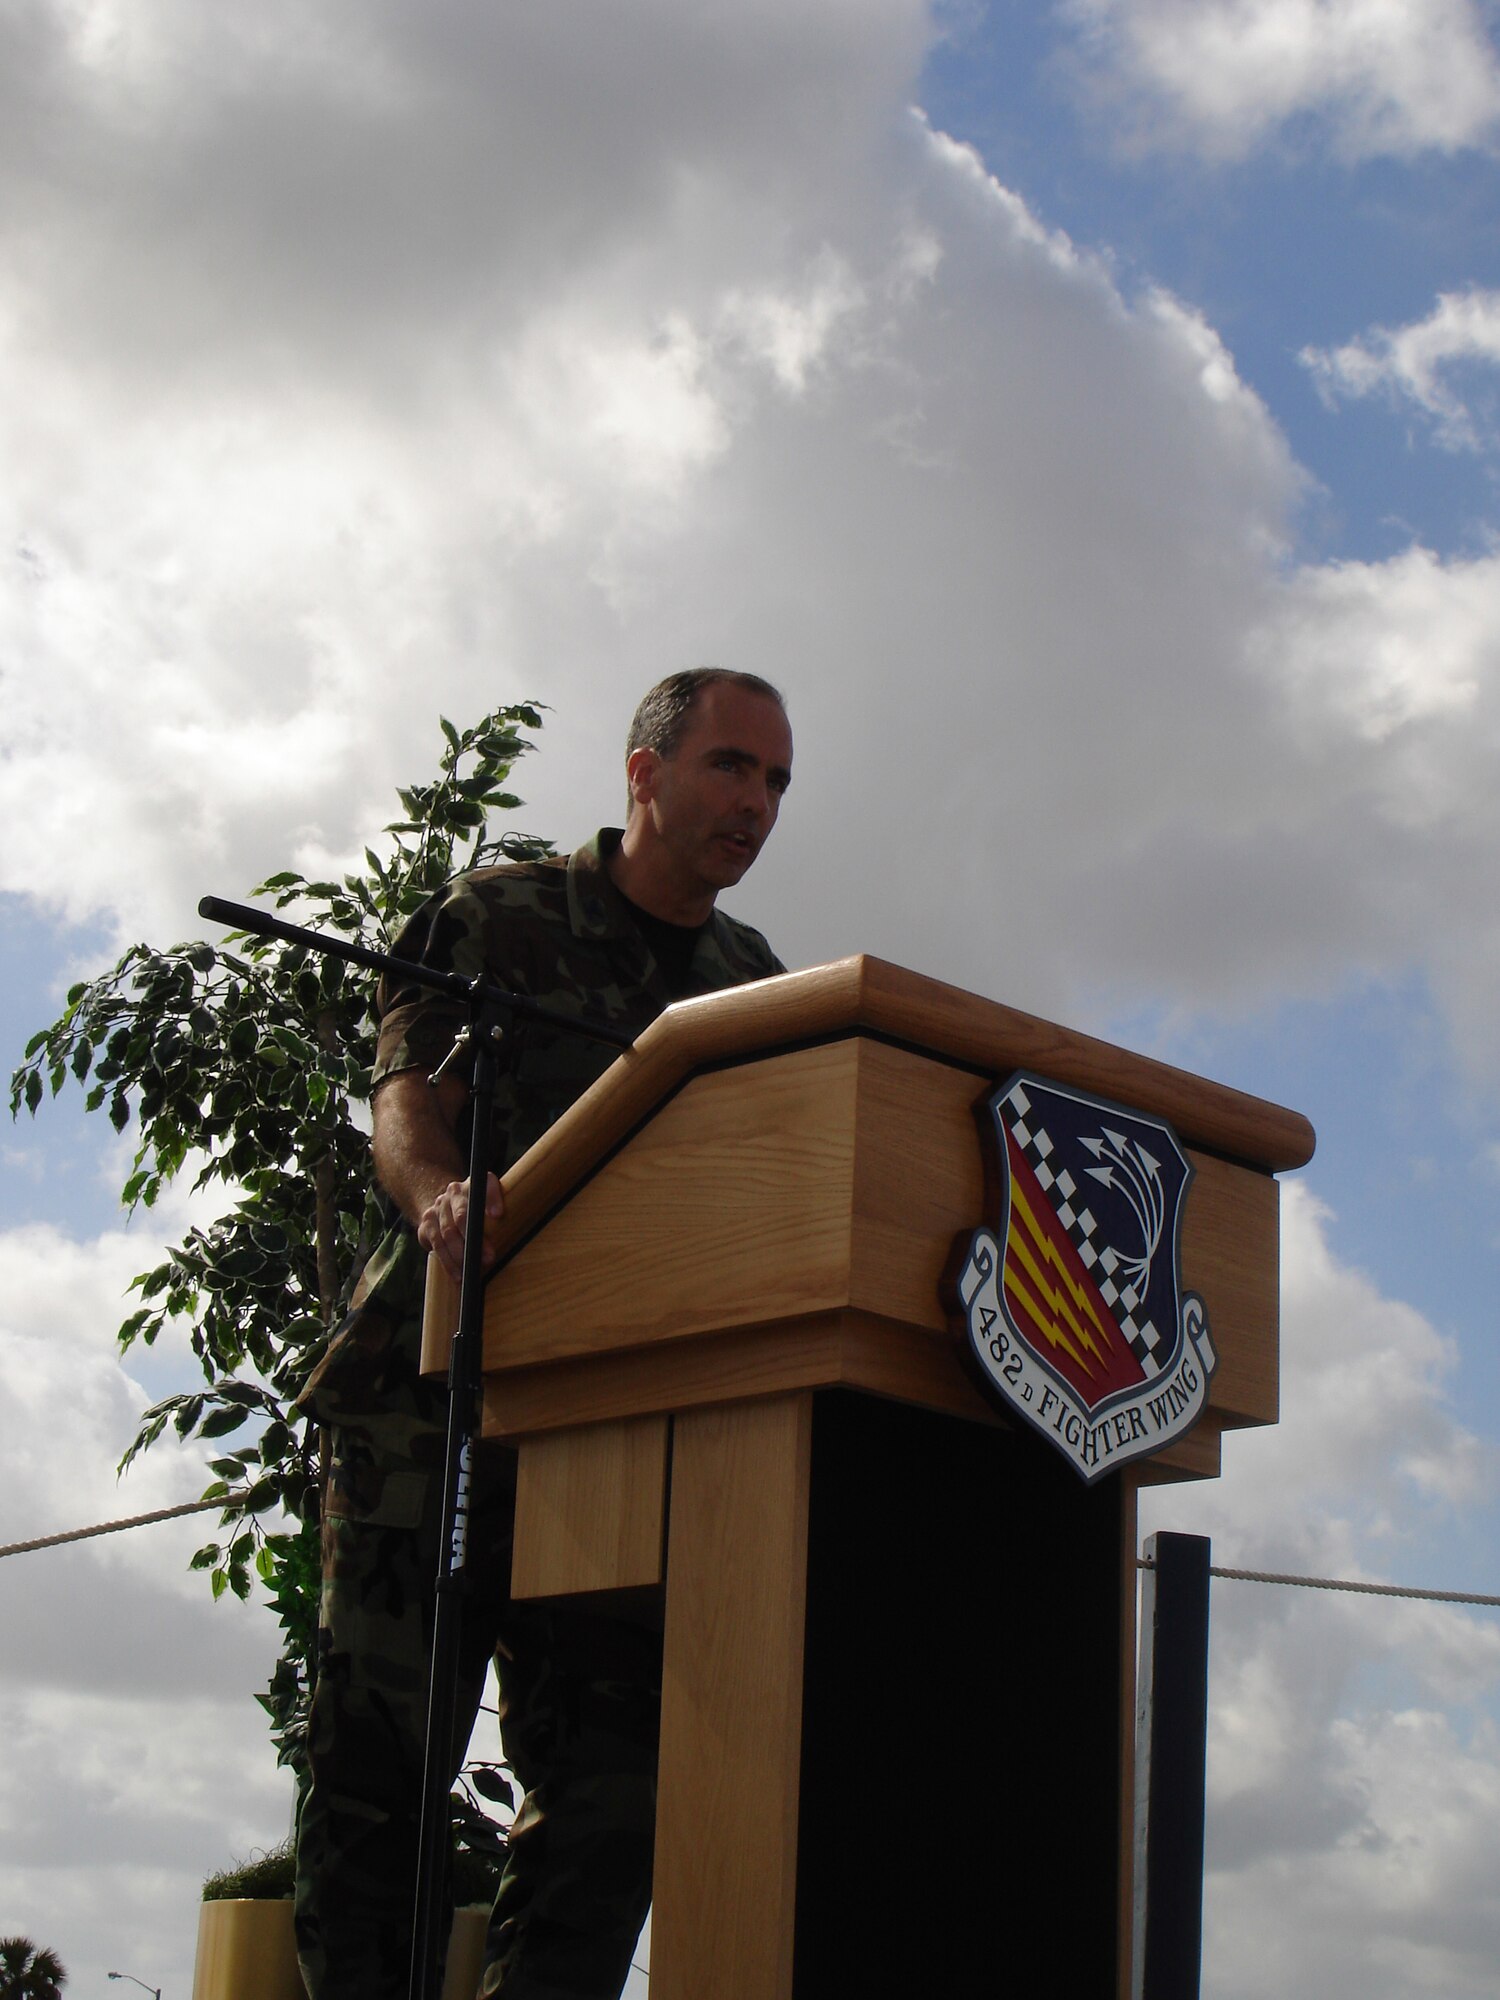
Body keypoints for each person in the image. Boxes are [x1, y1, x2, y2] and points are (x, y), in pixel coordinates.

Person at [294, 669, 794, 2000]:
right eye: (733, 768)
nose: (758, 803)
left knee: (611, 1794)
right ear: (644, 772)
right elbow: (404, 1106)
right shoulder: (496, 918)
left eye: (777, 783)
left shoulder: (755, 986)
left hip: (616, 1433)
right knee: (379, 1776)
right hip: (431, 1401)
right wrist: (441, 1196)